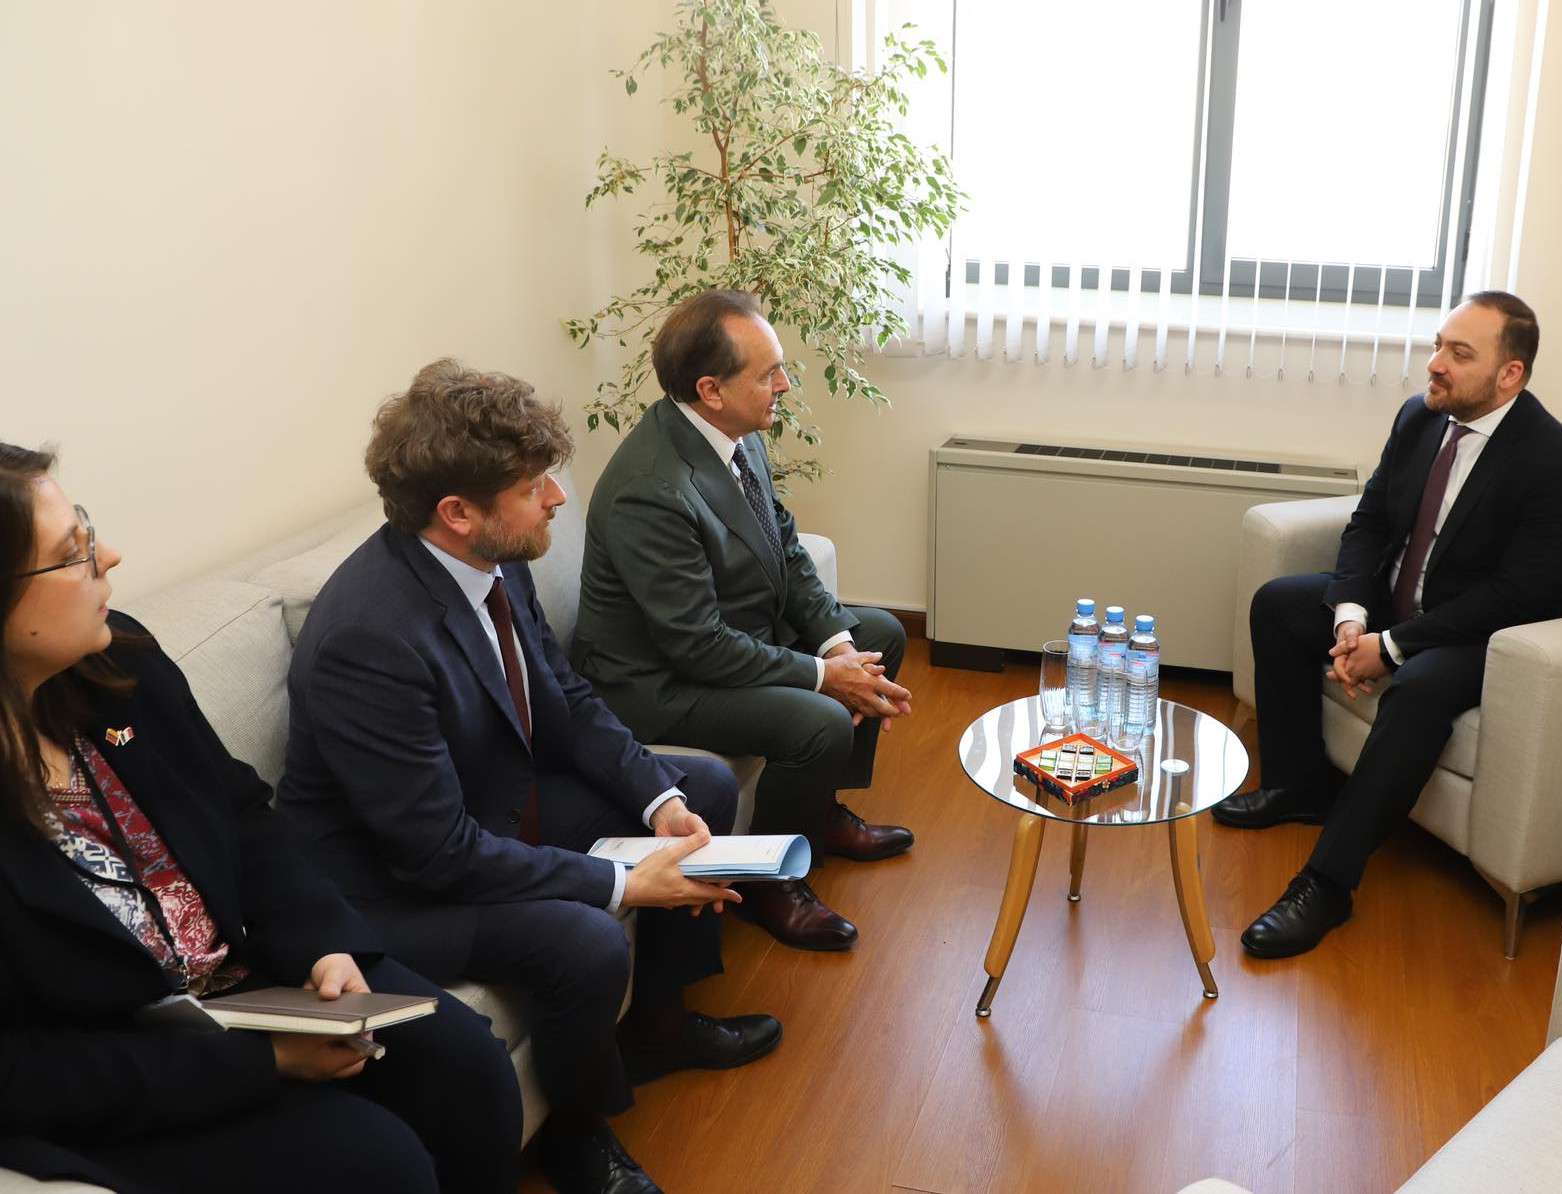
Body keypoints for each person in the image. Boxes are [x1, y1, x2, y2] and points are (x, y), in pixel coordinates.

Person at [276, 362, 778, 1194]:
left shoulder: (496, 558)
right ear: (458, 512)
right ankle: (576, 1138)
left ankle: (660, 1027)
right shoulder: (369, 639)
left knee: (701, 791)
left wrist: (659, 798)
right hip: (389, 887)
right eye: (533, 485)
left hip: (486, 805)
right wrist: (623, 882)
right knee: (586, 941)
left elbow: (564, 697)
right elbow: (437, 854)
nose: (556, 498)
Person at [0, 443, 522, 1194]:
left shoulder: (119, 664)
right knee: (380, 1164)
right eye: (71, 553)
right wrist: (261, 1059)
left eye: (88, 531)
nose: (108, 557)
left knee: (467, 1067)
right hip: (134, 1067)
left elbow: (244, 815)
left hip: (261, 983)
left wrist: (324, 945)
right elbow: (23, 1068)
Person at [1214, 292, 1562, 958]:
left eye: (1460, 353)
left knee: (1418, 688)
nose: (1436, 364)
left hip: (1493, 633)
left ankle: (1327, 884)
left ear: (1510, 374)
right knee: (1279, 604)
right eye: (1438, 345)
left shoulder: (1558, 462)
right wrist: (1352, 616)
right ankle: (1297, 787)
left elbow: (1518, 592)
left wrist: (1390, 648)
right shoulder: (1420, 418)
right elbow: (1369, 524)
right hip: (1402, 601)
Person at [570, 290, 914, 951]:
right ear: (711, 389)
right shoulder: (652, 489)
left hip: (724, 638)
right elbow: (697, 646)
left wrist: (838, 647)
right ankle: (772, 885)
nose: (784, 385)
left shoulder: (734, 434)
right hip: (655, 683)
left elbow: (786, 548)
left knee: (880, 636)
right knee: (818, 719)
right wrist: (825, 676)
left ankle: (821, 810)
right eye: (769, 373)